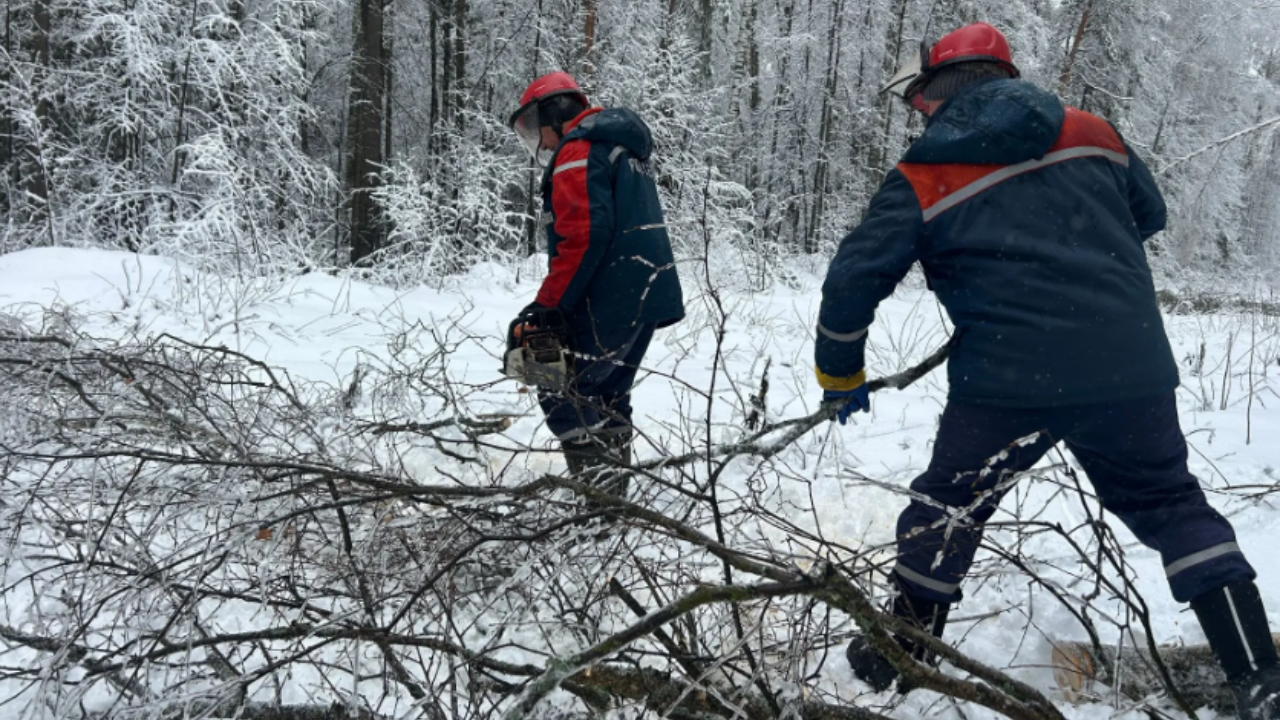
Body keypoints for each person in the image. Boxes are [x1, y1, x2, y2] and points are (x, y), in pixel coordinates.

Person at [814, 22, 1279, 717]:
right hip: (1130, 370)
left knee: (947, 508)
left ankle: (903, 655)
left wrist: (839, 373)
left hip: (1009, 383)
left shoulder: (923, 170)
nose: (922, 114)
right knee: (1173, 507)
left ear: (941, 88)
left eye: (921, 100)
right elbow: (1148, 213)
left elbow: (854, 279)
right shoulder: (1095, 132)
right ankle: (1259, 678)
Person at [506, 71, 684, 494]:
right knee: (608, 394)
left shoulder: (578, 152)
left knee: (560, 388)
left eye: (537, 129)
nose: (543, 144)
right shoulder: (619, 146)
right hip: (646, 294)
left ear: (555, 113)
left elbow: (583, 237)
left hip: (608, 297)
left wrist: (547, 306)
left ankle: (600, 507)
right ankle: (614, 504)